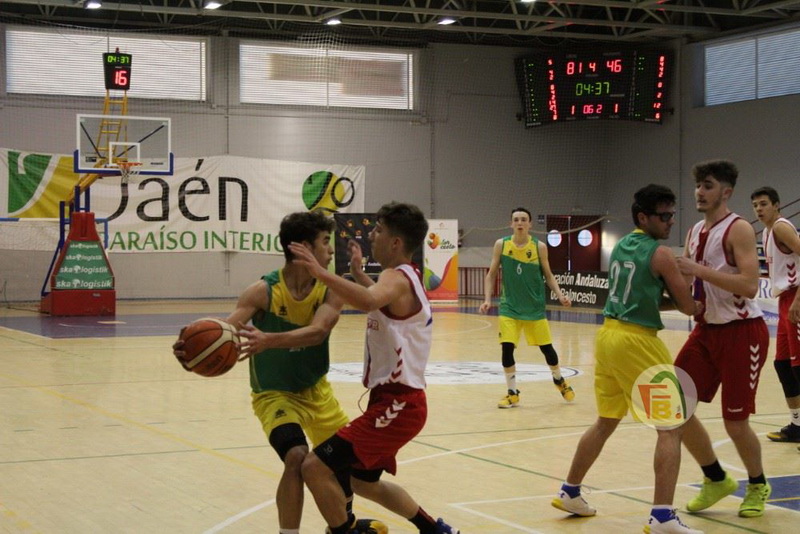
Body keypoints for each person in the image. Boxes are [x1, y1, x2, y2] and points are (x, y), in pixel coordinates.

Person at [173, 211, 385, 534]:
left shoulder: (331, 290)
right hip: (274, 394)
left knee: (340, 462)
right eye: (325, 242)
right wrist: (191, 352)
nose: (332, 250)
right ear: (303, 248)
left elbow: (318, 332)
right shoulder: (263, 291)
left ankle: (344, 525)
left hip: (317, 391)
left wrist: (269, 340)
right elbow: (226, 332)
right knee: (296, 456)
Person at [289, 202, 459, 534]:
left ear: (396, 242)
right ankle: (435, 530)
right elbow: (378, 296)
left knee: (314, 466)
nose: (371, 235)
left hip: (399, 403)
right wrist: (357, 272)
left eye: (378, 230)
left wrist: (320, 272)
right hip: (394, 401)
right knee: (362, 482)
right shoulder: (405, 276)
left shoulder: (396, 277)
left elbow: (369, 300)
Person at [551, 185, 702, 533]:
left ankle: (570, 491)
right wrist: (693, 285)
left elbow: (643, 295)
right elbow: (688, 307)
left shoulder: (621, 246)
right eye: (664, 216)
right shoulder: (661, 254)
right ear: (643, 217)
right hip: (638, 341)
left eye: (672, 214)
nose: (670, 221)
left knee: (606, 420)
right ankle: (662, 516)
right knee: (671, 426)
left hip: (608, 336)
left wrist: (675, 295)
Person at [675, 160, 771, 518]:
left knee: (735, 422)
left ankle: (758, 484)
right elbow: (687, 280)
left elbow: (749, 285)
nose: (700, 192)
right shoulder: (693, 231)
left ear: (726, 192)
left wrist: (697, 270)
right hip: (705, 331)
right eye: (698, 185)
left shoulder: (739, 228)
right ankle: (715, 478)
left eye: (708, 185)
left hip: (742, 334)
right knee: (671, 405)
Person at [479, 207, 575, 408]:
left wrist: (560, 295)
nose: (520, 223)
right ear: (511, 223)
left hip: (534, 308)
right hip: (509, 307)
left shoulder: (539, 247)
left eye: (523, 219)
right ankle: (512, 393)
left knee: (547, 349)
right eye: (516, 220)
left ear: (530, 224)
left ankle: (559, 379)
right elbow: (491, 273)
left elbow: (548, 275)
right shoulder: (501, 245)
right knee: (506, 349)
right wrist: (487, 299)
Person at [751, 186, 800, 444]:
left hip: (796, 297)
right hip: (785, 300)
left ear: (777, 205)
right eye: (755, 205)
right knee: (783, 365)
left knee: (799, 366)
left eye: (763, 204)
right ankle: (797, 425)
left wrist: (798, 300)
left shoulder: (781, 227)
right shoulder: (767, 232)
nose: (759, 209)